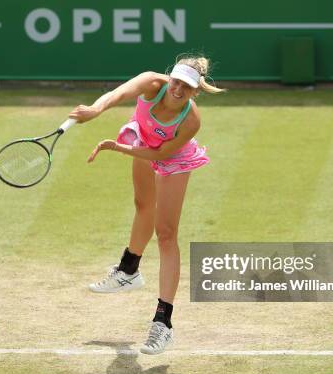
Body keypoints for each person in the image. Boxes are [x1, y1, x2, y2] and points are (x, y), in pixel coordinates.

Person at [69, 54, 225, 355]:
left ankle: (163, 323)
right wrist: (95, 109)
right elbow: (118, 94)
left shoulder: (191, 120)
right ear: (170, 78)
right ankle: (128, 271)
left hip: (169, 157)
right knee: (143, 204)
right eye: (177, 82)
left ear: (196, 90)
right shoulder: (152, 83)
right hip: (144, 137)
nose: (179, 90)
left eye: (187, 87)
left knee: (166, 234)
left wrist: (118, 147)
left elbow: (159, 156)